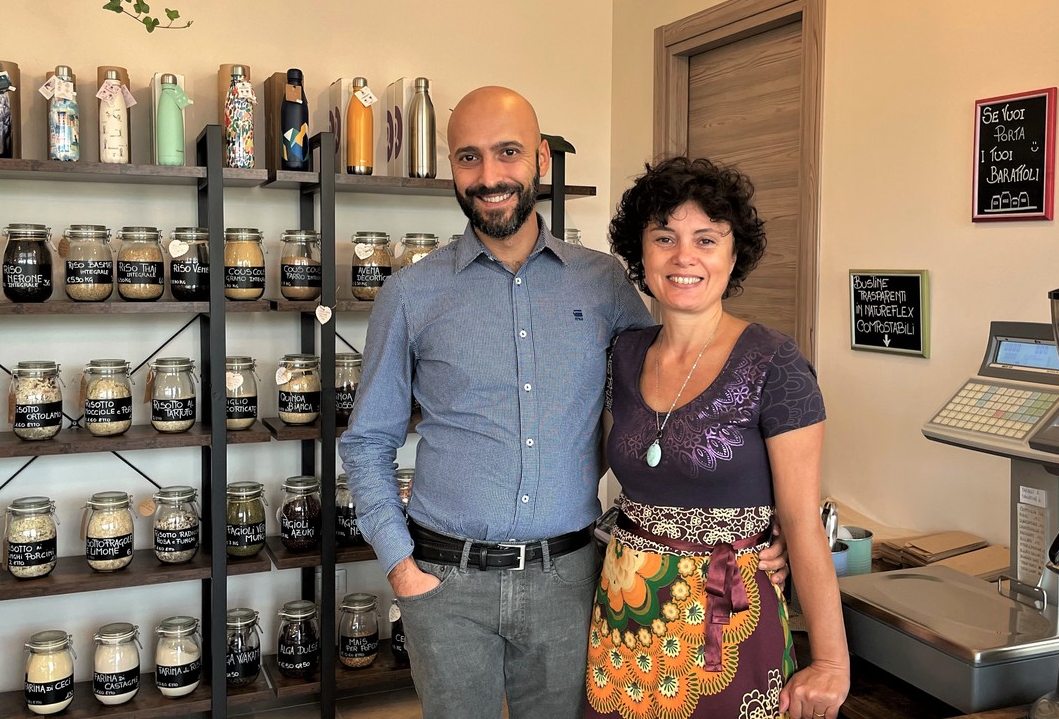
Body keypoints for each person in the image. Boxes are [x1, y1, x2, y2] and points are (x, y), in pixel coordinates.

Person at [340, 86, 787, 719]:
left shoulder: (603, 282)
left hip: (570, 581)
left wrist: (759, 530)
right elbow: (366, 442)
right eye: (468, 157)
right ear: (452, 167)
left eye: (508, 152)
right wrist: (400, 567)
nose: (489, 176)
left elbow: (669, 410)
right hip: (446, 583)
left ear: (542, 160)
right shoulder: (410, 294)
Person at [586, 156, 849, 719]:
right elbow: (588, 464)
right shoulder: (623, 355)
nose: (684, 257)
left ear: (734, 255)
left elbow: (801, 520)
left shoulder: (775, 363)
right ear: (641, 254)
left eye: (706, 239)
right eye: (665, 238)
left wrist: (831, 662)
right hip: (625, 616)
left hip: (729, 619)